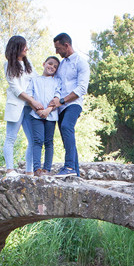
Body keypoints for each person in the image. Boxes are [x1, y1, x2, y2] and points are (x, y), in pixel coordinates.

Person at [49, 32, 90, 177]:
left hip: (73, 103)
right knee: (67, 138)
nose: (56, 52)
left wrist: (61, 100)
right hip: (60, 108)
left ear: (66, 45)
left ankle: (69, 167)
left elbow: (82, 88)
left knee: (67, 126)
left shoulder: (81, 62)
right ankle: (75, 174)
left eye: (58, 48)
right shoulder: (61, 65)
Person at [3, 35, 44, 175]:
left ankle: (29, 171)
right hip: (16, 106)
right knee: (10, 138)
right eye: (24, 46)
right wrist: (32, 101)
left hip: (28, 108)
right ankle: (10, 169)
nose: (27, 48)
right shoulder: (8, 65)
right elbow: (16, 89)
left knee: (33, 140)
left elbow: (36, 80)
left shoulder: (28, 64)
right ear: (17, 47)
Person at [26, 56, 62, 176]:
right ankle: (37, 169)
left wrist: (48, 110)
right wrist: (38, 111)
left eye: (55, 66)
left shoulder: (57, 81)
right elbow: (29, 97)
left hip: (51, 115)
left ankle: (47, 169)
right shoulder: (35, 80)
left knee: (48, 141)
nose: (51, 67)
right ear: (44, 64)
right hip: (36, 115)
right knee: (38, 140)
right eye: (50, 64)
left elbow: (57, 97)